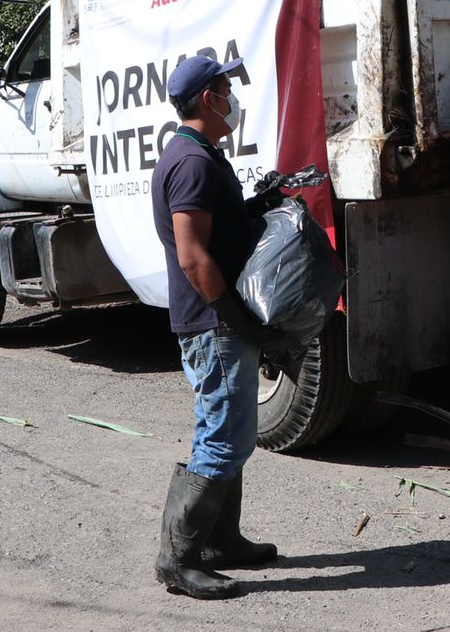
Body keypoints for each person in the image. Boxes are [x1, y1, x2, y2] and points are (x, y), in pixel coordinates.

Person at [151, 54, 292, 599]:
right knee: (223, 438)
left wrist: (264, 201)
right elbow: (192, 256)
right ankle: (178, 561)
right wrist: (238, 319)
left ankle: (220, 541)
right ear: (208, 98)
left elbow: (220, 232)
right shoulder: (191, 162)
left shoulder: (199, 155)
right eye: (226, 87)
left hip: (215, 319)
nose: (233, 96)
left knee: (229, 434)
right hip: (214, 322)